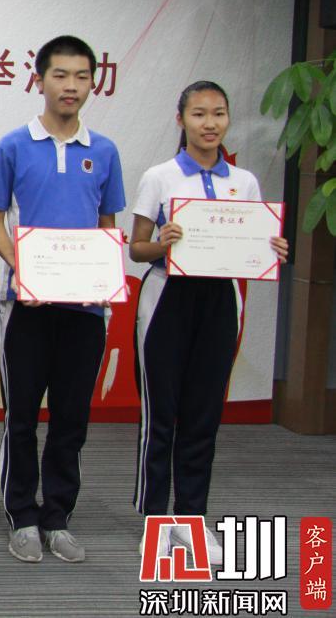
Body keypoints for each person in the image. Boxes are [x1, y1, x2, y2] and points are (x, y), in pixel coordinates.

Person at [128, 80, 288, 563]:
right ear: (181, 120)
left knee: (203, 417)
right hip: (167, 298)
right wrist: (163, 242)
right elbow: (137, 249)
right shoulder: (159, 177)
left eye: (219, 113)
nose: (210, 123)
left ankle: (192, 519)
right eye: (199, 114)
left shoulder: (245, 182)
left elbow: (251, 246)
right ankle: (156, 521)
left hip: (220, 300)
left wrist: (272, 248)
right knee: (161, 417)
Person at [0, 34, 126, 564]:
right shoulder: (13, 146)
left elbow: (107, 224)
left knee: (71, 419)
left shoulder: (104, 150)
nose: (71, 85)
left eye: (81, 76)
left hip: (85, 311)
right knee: (21, 416)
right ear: (39, 80)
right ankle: (21, 515)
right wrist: (23, 267)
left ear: (92, 84)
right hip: (28, 307)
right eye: (60, 75)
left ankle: (58, 515)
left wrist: (106, 271)